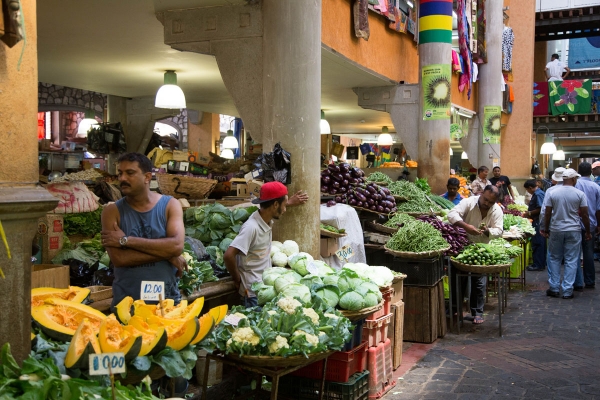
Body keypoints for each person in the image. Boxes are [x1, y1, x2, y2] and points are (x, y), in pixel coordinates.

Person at [101, 153, 187, 309]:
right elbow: (119, 259)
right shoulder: (111, 212)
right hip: (127, 304)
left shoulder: (170, 205)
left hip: (166, 302)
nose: (122, 178)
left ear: (147, 177)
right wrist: (166, 255)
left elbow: (176, 246)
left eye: (130, 173)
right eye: (120, 173)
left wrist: (126, 240)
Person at [223, 182, 308, 307]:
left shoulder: (266, 219)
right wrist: (237, 279)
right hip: (252, 294)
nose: (284, 210)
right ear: (275, 205)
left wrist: (288, 202)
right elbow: (228, 255)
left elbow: (277, 208)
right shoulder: (251, 227)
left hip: (263, 288)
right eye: (284, 205)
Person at [448, 185, 503, 324]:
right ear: (482, 193)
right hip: (463, 246)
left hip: (482, 249)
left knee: (479, 281)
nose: (487, 203)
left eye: (491, 202)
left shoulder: (496, 210)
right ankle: (455, 308)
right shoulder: (469, 202)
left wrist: (487, 231)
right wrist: (466, 226)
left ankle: (477, 312)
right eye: (485, 199)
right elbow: (451, 214)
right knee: (459, 280)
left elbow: (499, 230)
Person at [541, 168, 591, 299]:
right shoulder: (580, 194)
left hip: (556, 229)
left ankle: (554, 287)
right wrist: (588, 231)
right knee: (571, 259)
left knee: (554, 258)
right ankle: (568, 290)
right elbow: (585, 215)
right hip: (573, 229)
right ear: (574, 179)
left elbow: (547, 213)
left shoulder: (553, 193)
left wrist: (546, 229)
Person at [573, 162, 600, 290]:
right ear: (590, 172)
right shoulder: (596, 187)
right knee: (589, 253)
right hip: (591, 223)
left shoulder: (575, 185)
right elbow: (598, 209)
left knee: (575, 253)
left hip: (575, 223)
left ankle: (577, 281)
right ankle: (590, 281)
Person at [523, 180, 546, 272]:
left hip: (538, 221)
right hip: (538, 220)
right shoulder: (539, 192)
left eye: (527, 190)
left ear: (530, 188)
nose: (528, 192)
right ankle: (540, 263)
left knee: (538, 243)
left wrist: (529, 213)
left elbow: (540, 208)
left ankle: (538, 264)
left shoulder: (538, 194)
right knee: (540, 243)